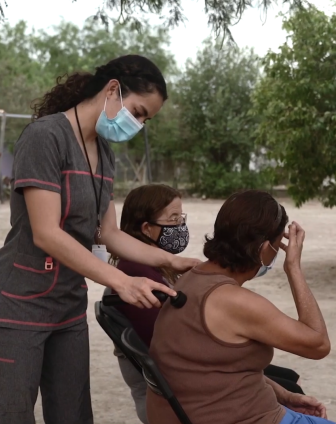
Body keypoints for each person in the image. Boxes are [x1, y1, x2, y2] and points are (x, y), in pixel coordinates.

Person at [0, 55, 199, 424]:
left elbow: (108, 234)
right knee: (12, 413)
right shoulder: (46, 137)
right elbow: (46, 233)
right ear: (113, 90)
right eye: (138, 112)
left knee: (73, 414)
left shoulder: (104, 154)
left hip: (68, 307)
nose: (137, 125)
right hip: (19, 307)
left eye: (144, 120)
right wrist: (121, 280)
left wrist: (168, 261)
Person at [110, 184, 304, 423]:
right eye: (173, 219)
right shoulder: (139, 277)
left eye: (182, 217)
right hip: (181, 395)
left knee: (286, 380)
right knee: (286, 385)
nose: (181, 225)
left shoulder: (159, 267)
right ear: (147, 228)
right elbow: (181, 349)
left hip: (181, 388)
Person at [147, 190, 336, 424]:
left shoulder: (191, 279)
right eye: (278, 246)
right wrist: (294, 269)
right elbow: (318, 345)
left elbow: (217, 367)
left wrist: (284, 394)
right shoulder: (233, 301)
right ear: (263, 248)